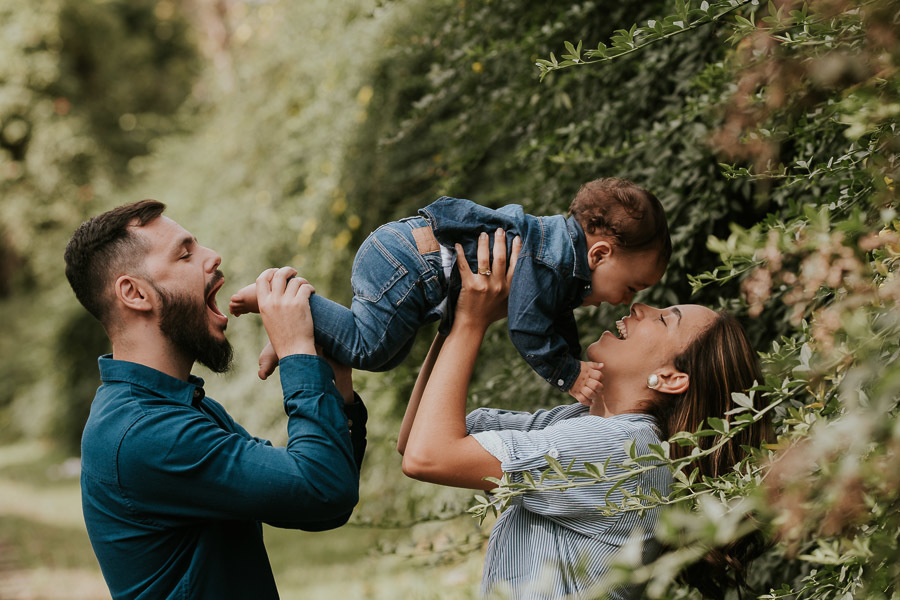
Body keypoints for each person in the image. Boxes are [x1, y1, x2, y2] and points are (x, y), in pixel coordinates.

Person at [398, 229, 770, 599]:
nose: (640, 307)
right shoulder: (582, 423)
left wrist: (471, 320)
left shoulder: (627, 451)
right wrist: (458, 312)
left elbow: (428, 456)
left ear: (671, 379)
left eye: (663, 320)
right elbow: (417, 436)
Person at [63, 200, 367, 600]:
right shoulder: (146, 433)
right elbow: (321, 488)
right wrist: (296, 350)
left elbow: (320, 505)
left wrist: (332, 379)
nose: (212, 256)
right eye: (185, 254)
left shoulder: (178, 408)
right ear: (135, 293)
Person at [230, 178, 671, 405]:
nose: (625, 300)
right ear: (599, 254)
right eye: (630, 286)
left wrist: (576, 362)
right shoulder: (550, 261)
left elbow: (555, 317)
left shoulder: (557, 258)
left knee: (385, 353)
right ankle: (283, 301)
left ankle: (294, 328)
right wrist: (568, 374)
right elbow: (529, 327)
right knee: (372, 350)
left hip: (402, 252)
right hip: (409, 260)